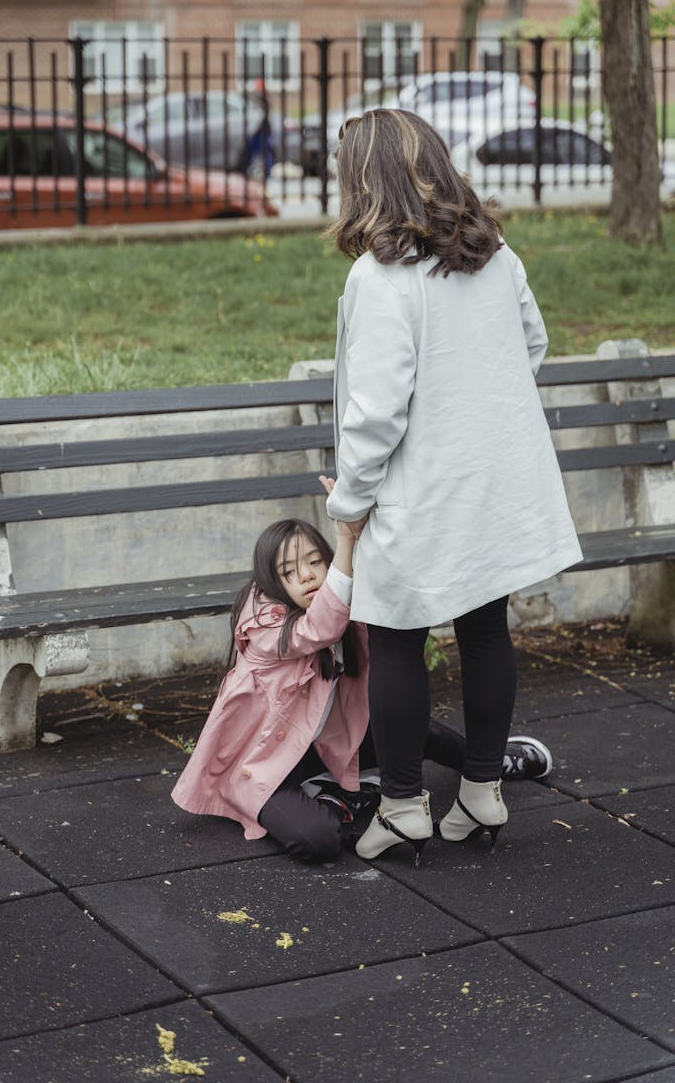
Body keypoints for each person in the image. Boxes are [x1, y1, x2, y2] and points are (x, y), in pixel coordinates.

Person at [324, 108, 582, 866]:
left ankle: (404, 805)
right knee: (484, 625)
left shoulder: (381, 278)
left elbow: (374, 412)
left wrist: (350, 503)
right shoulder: (494, 255)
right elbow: (530, 344)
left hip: (422, 485)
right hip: (492, 477)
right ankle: (480, 790)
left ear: (364, 180)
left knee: (396, 635)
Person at [171, 508, 556, 864]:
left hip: (322, 745)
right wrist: (346, 539)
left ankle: (490, 763)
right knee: (319, 841)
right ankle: (339, 797)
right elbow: (319, 629)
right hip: (267, 765)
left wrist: (365, 514)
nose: (305, 575)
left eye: (314, 562)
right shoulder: (266, 627)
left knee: (411, 731)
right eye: (288, 571)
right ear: (271, 582)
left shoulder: (341, 605)